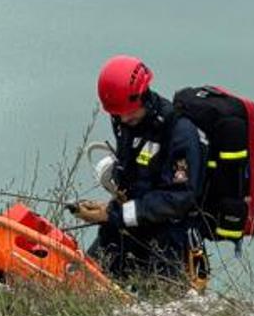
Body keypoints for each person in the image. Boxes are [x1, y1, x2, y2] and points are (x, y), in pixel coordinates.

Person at [70, 54, 208, 287]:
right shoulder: (124, 121)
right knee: (83, 283)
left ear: (144, 95)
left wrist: (113, 214)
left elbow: (179, 198)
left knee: (159, 304)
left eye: (128, 112)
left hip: (168, 241)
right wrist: (110, 208)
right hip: (129, 228)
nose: (124, 118)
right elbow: (132, 176)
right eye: (117, 113)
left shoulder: (179, 133)